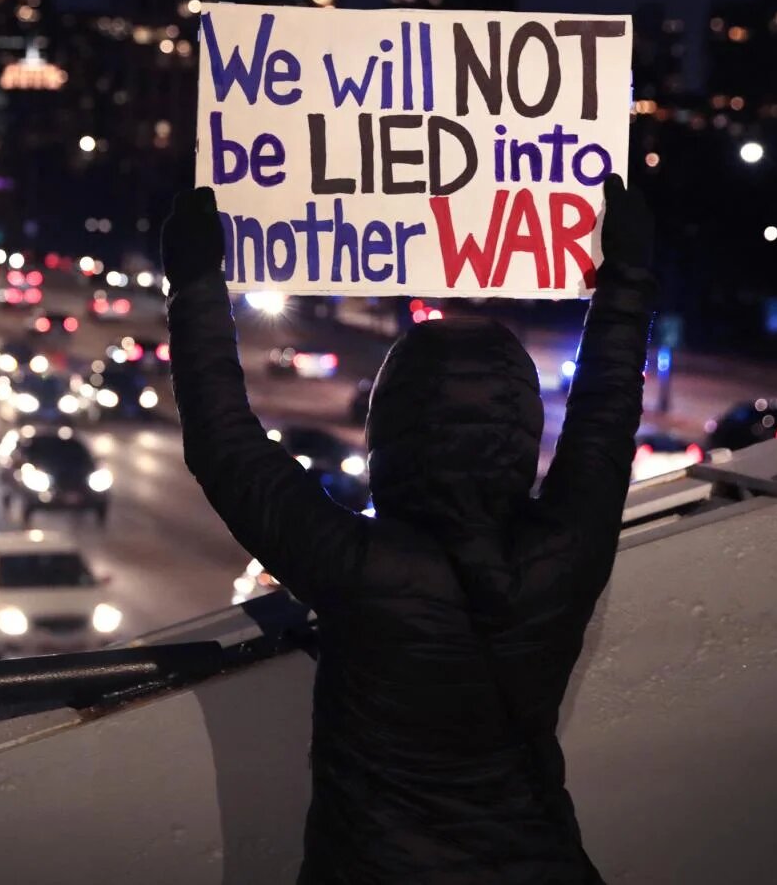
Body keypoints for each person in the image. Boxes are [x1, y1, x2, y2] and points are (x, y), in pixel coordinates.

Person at [162, 174, 656, 884]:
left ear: (389, 431)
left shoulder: (358, 567)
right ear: (521, 431)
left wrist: (195, 282)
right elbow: (607, 410)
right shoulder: (564, 552)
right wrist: (630, 276)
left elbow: (223, 445)